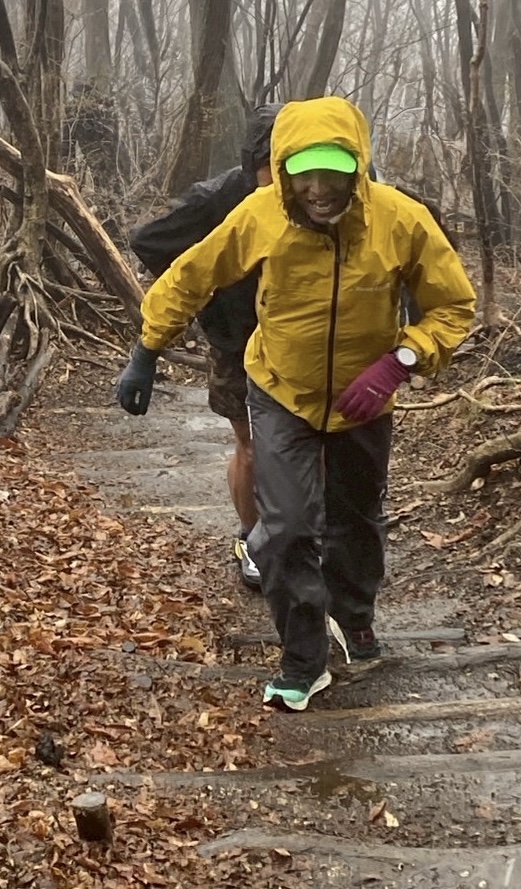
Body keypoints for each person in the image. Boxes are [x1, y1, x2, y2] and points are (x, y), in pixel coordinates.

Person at [117, 96, 476, 712]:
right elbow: (190, 276)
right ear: (283, 170)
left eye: (333, 173)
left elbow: (453, 306)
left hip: (365, 398)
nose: (318, 188)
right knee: (285, 529)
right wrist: (147, 349)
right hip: (282, 388)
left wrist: (401, 360)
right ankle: (304, 658)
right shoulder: (259, 214)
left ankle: (354, 616)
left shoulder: (401, 220)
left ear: (357, 167)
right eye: (304, 173)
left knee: (357, 521)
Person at [127, 104, 282, 590]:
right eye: (269, 166)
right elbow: (149, 242)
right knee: (252, 447)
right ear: (250, 162)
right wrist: (208, 295)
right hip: (235, 341)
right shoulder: (218, 199)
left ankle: (304, 536)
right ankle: (252, 538)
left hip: (300, 341)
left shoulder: (318, 189)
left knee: (306, 448)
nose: (279, 179)